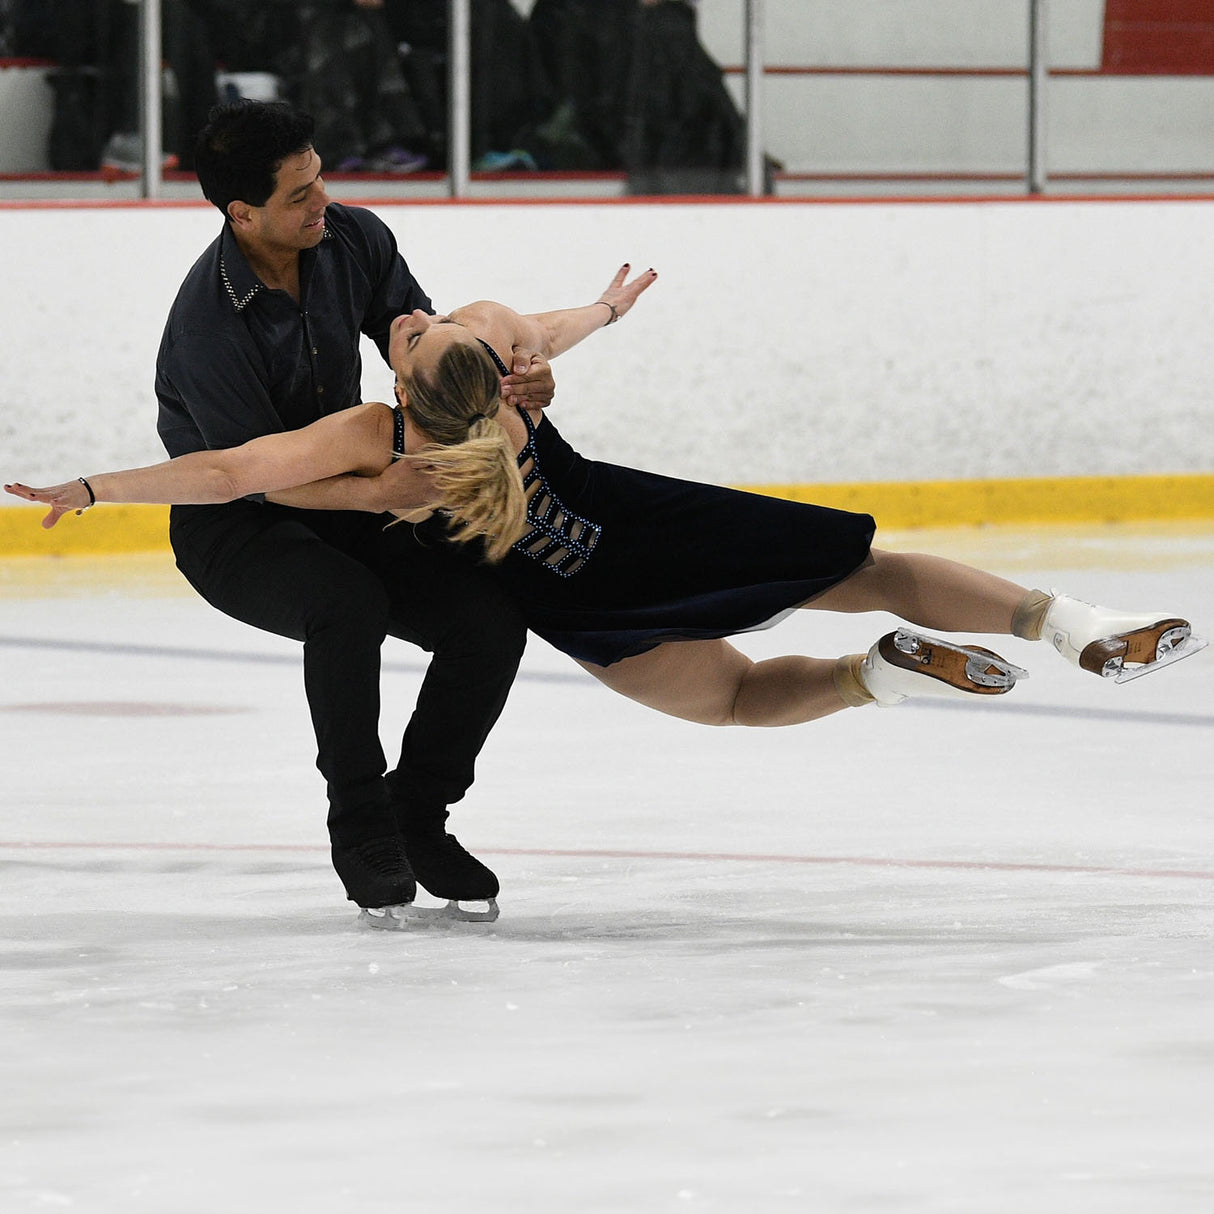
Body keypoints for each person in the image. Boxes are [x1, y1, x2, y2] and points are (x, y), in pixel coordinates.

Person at [9, 267, 1206, 917]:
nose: (406, 317)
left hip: (578, 596)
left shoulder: (387, 445)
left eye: (410, 333)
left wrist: (97, 486)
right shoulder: (493, 353)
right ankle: (1071, 624)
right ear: (494, 381)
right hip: (637, 522)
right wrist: (600, 311)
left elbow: (230, 471)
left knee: (733, 697)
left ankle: (875, 678)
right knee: (865, 567)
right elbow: (545, 329)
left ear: (415, 390)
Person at [99, 98, 555, 921]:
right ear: (242, 213)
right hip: (234, 522)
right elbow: (248, 476)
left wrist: (517, 383)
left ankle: (418, 812)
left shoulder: (352, 238)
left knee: (487, 623)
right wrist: (379, 491)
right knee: (347, 603)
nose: (324, 201)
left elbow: (427, 353)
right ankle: (362, 824)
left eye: (319, 177)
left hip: (349, 492)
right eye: (300, 194)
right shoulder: (206, 328)